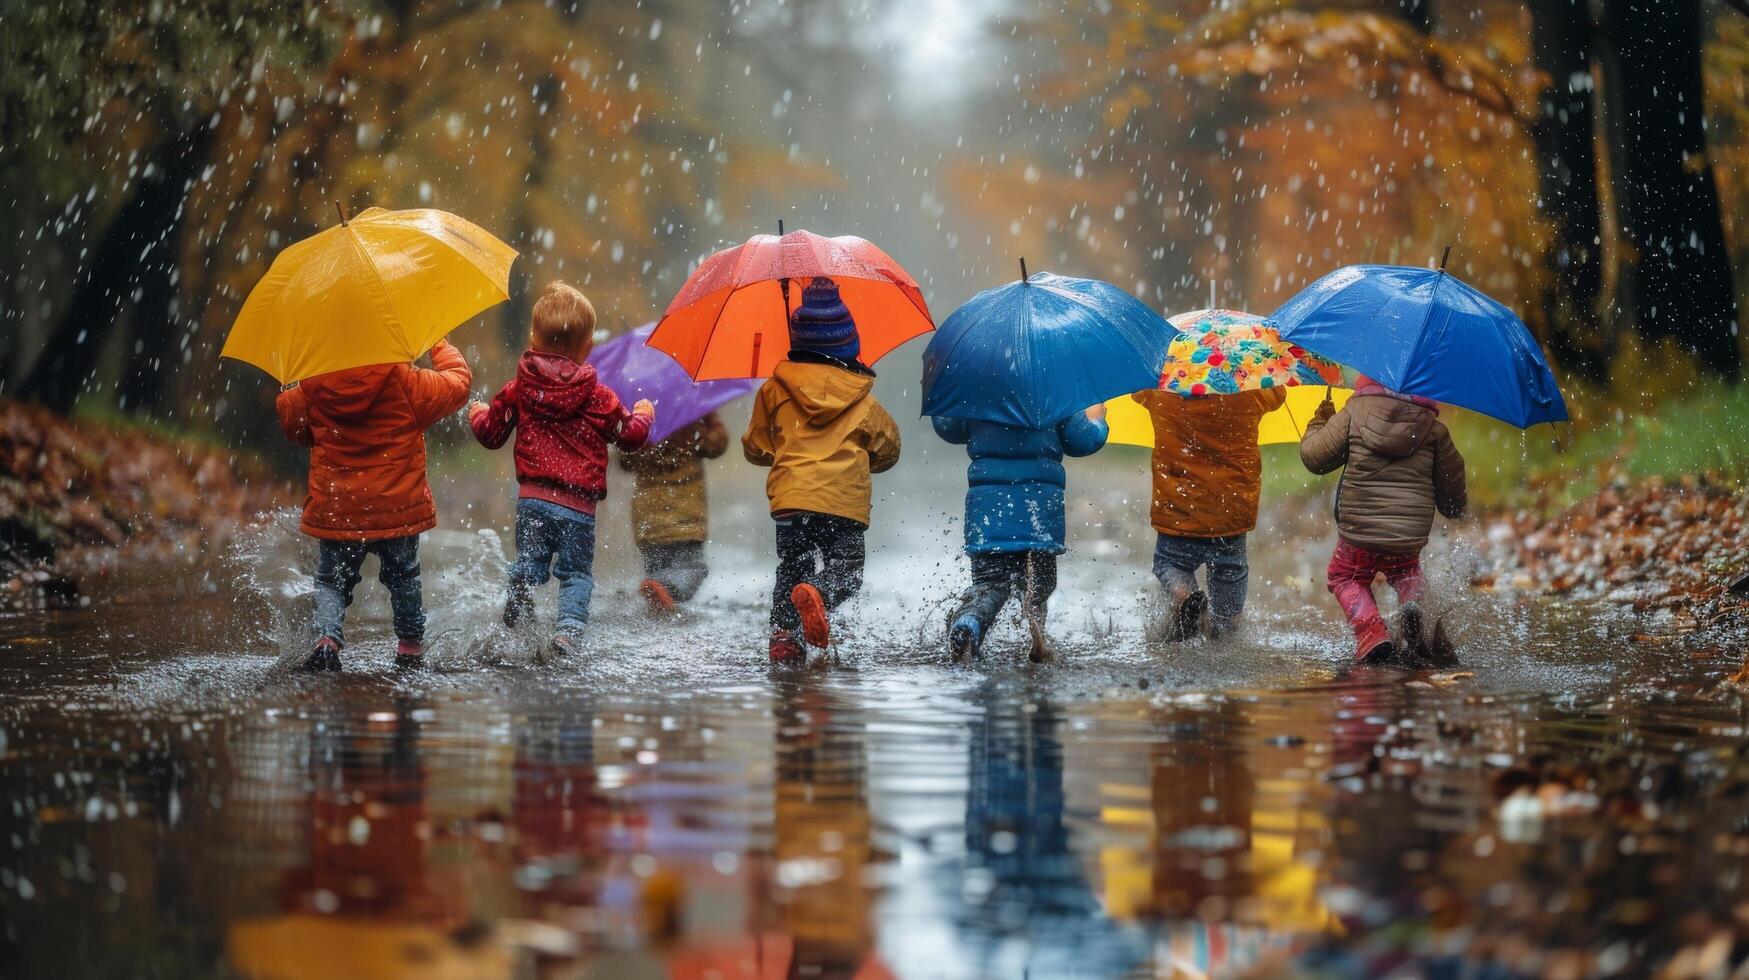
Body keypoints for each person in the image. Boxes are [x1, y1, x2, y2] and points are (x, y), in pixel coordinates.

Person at [469, 282, 654, 657]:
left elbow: (491, 435)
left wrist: (476, 414)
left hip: (533, 502)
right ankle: (567, 634)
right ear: (587, 347)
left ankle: (519, 593)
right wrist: (645, 414)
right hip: (578, 510)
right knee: (576, 575)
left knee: (529, 563)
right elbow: (630, 437)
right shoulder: (598, 397)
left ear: (533, 338)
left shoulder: (519, 389)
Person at [276, 338, 471, 672]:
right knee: (405, 578)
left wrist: (290, 384)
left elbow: (295, 427)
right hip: (397, 507)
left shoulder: (313, 384)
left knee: (331, 582)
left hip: (340, 510)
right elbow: (459, 384)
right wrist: (438, 343)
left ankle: (326, 639)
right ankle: (410, 647)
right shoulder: (405, 380)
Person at [742, 277, 900, 663]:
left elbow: (755, 446)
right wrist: (866, 461)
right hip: (842, 505)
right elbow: (890, 449)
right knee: (845, 571)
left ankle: (784, 635)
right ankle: (820, 593)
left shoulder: (774, 391)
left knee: (791, 566)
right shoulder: (863, 399)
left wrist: (780, 453)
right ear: (850, 345)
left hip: (791, 502)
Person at [1299, 376, 1466, 663]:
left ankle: (1372, 633)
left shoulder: (1353, 412)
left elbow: (1316, 459)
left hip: (1359, 533)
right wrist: (1455, 509)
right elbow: (1452, 485)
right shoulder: (1435, 429)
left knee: (1345, 577)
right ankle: (1412, 603)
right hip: (1408, 535)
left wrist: (1320, 421)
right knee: (1406, 571)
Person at [934, 403, 1109, 661]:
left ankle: (969, 621)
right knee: (1040, 585)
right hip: (1039, 511)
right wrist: (1095, 418)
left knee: (990, 586)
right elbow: (1080, 440)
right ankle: (1038, 643)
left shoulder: (977, 382)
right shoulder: (1053, 386)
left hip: (989, 513)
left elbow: (949, 427)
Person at [1135, 386, 1287, 641]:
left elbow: (1137, 387)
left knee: (1169, 563)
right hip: (1231, 514)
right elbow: (1278, 393)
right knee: (1230, 571)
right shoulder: (1250, 391)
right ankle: (1228, 624)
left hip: (1178, 512)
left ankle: (1183, 594)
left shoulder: (1161, 392)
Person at [617, 411, 730, 612]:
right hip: (686, 518)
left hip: (648, 520)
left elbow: (625, 460)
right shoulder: (692, 413)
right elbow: (717, 445)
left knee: (657, 570)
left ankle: (659, 592)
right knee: (693, 568)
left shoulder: (642, 416)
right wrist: (710, 418)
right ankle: (664, 587)